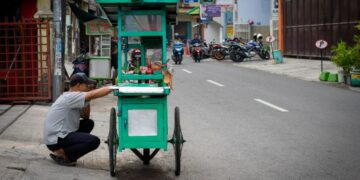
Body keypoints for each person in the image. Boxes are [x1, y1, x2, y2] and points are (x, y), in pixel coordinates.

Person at [43, 73, 113, 166]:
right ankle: (64, 154)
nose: (88, 87)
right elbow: (94, 94)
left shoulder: (74, 97)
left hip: (60, 135)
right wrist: (114, 87)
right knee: (94, 141)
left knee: (88, 123)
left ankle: (64, 151)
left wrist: (88, 99)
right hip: (55, 139)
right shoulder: (70, 96)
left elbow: (86, 116)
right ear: (78, 85)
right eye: (86, 85)